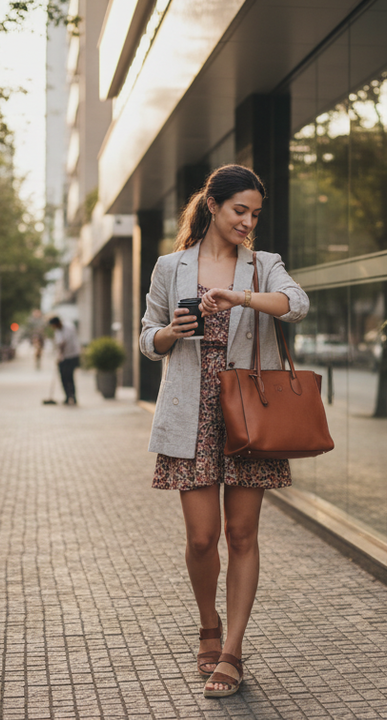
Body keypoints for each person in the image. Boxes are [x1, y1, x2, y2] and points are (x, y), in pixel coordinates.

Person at [139, 164, 308, 698]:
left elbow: (296, 305)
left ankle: (231, 650)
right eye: (240, 210)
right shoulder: (171, 266)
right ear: (212, 205)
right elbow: (147, 336)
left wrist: (243, 298)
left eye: (255, 214)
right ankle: (207, 622)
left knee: (242, 535)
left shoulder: (264, 265)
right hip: (190, 411)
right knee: (201, 538)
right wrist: (170, 333)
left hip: (246, 411)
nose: (247, 221)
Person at [49, 317, 81, 405]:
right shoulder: (57, 331)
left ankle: (73, 396)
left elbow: (63, 343)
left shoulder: (69, 327)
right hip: (63, 358)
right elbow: (58, 344)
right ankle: (67, 396)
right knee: (63, 377)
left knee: (70, 377)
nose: (53, 327)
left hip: (72, 356)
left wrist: (59, 355)